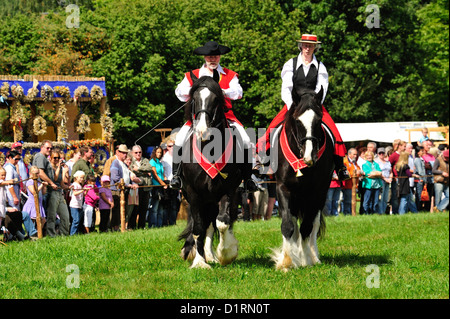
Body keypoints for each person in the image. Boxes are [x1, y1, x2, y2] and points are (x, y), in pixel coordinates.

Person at [256, 34, 349, 181]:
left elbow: (322, 88)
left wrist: (315, 105)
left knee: (333, 132)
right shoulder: (290, 64)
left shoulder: (320, 66)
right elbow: (286, 87)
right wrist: (291, 105)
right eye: (305, 45)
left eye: (310, 46)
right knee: (272, 129)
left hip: (314, 104)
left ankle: (340, 167)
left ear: (315, 48)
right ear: (301, 46)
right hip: (294, 103)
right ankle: (264, 162)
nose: (307, 48)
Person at [172, 40, 257, 192]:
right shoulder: (193, 75)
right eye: (209, 56)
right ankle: (176, 176)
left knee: (245, 139)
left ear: (219, 57)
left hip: (226, 116)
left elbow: (238, 92)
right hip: (199, 118)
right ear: (204, 57)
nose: (213, 59)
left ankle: (248, 178)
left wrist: (223, 92)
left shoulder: (230, 75)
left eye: (216, 56)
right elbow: (179, 92)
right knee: (179, 138)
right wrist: (194, 91)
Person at [46, 148, 71, 236]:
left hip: (60, 193)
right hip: (52, 193)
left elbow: (61, 183)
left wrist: (68, 187)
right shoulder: (49, 167)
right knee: (52, 215)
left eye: (58, 158)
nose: (57, 159)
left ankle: (64, 234)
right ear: (50, 158)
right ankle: (51, 234)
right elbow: (54, 178)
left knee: (65, 216)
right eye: (55, 158)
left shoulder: (59, 168)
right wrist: (61, 169)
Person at [129, 144, 152, 229]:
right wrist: (145, 172)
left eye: (140, 152)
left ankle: (142, 226)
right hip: (136, 187)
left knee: (144, 207)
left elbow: (150, 168)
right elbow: (131, 170)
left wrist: (138, 170)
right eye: (136, 152)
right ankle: (132, 225)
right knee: (135, 208)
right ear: (132, 153)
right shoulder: (131, 160)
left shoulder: (145, 160)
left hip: (145, 187)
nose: (138, 154)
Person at [21, 165, 47, 237]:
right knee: (31, 220)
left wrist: (44, 186)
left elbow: (43, 192)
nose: (37, 175)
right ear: (30, 174)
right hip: (32, 203)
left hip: (39, 203)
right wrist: (41, 185)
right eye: (35, 173)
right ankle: (32, 235)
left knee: (43, 220)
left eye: (38, 173)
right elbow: (34, 192)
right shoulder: (30, 182)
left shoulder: (38, 181)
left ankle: (37, 234)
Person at [32, 140, 57, 211]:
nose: (49, 150)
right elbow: (41, 173)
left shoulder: (44, 157)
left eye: (51, 148)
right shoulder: (41, 157)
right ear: (42, 147)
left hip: (45, 188)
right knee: (43, 212)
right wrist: (51, 183)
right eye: (47, 148)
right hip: (43, 189)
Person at [161, 139, 180, 225]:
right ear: (167, 147)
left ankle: (173, 222)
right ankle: (165, 222)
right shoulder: (164, 158)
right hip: (167, 182)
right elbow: (163, 171)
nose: (172, 148)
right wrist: (165, 182)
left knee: (175, 204)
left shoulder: (178, 157)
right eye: (169, 146)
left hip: (176, 182)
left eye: (173, 146)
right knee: (166, 204)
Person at [149, 146, 167, 228]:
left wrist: (166, 181)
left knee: (161, 208)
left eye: (160, 152)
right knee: (155, 207)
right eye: (158, 152)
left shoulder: (159, 162)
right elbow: (155, 174)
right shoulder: (152, 162)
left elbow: (162, 174)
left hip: (162, 186)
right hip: (156, 185)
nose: (159, 154)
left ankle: (159, 225)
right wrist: (162, 183)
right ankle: (153, 224)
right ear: (154, 152)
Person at [341, 148, 362, 215]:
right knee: (347, 201)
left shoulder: (354, 162)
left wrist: (359, 172)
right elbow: (347, 173)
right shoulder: (345, 162)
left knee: (351, 200)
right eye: (354, 154)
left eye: (356, 154)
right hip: (347, 185)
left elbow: (359, 170)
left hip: (354, 185)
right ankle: (347, 213)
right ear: (349, 154)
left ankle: (351, 212)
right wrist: (357, 173)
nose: (355, 156)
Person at [389, 139, 406, 214]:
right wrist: (393, 175)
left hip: (403, 178)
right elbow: (389, 165)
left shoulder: (404, 155)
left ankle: (402, 211)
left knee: (403, 195)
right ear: (399, 146)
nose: (405, 148)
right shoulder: (394, 155)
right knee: (395, 196)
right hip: (396, 178)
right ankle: (395, 212)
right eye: (404, 146)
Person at [375, 147, 392, 214]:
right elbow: (378, 172)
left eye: (383, 153)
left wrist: (390, 177)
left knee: (386, 197)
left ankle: (384, 211)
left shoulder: (387, 162)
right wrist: (385, 179)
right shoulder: (376, 162)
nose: (381, 154)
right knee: (380, 197)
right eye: (380, 153)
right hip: (380, 180)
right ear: (378, 154)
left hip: (388, 181)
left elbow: (390, 171)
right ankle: (380, 212)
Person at [69, 170, 85, 235]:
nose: (82, 179)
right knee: (76, 220)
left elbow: (82, 194)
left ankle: (76, 233)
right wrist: (82, 190)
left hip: (79, 205)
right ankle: (72, 234)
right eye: (81, 177)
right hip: (74, 205)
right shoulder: (74, 184)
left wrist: (85, 191)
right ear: (76, 177)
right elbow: (75, 193)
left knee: (78, 220)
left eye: (83, 178)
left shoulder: (80, 185)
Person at [413, 146, 428, 211]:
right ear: (418, 152)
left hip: (421, 179)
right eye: (422, 151)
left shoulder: (420, 159)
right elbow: (420, 171)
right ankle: (418, 209)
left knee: (421, 195)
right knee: (419, 195)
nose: (423, 152)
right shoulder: (417, 160)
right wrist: (425, 179)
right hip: (419, 180)